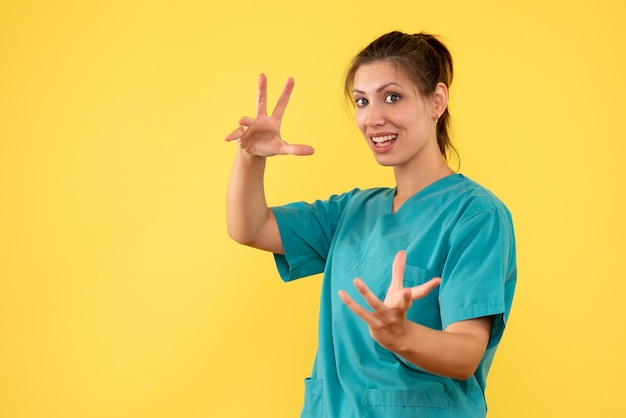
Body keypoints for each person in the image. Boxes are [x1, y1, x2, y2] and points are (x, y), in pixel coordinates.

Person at [225, 31, 517, 418]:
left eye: (392, 97)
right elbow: (250, 228)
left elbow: (466, 352)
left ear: (436, 101)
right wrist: (251, 157)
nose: (372, 117)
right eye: (362, 101)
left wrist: (402, 335)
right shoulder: (352, 211)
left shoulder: (475, 215)